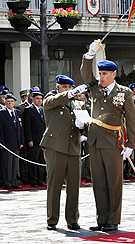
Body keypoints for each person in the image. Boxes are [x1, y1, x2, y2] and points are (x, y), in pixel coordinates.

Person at [81, 41, 135, 233]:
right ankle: (102, 218)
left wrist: (131, 144)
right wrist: (89, 54)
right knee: (98, 182)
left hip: (114, 142)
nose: (101, 77)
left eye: (105, 74)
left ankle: (113, 219)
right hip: (95, 140)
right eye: (100, 73)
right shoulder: (95, 88)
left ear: (113, 74)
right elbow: (85, 74)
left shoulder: (124, 92)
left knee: (113, 182)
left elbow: (131, 120)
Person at [40, 75, 87, 231]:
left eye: (70, 87)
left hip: (73, 147)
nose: (68, 90)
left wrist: (83, 127)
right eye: (64, 87)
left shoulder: (77, 104)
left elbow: (85, 120)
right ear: (58, 87)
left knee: (74, 186)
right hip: (55, 147)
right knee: (54, 185)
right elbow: (51, 102)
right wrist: (69, 94)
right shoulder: (51, 98)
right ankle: (52, 219)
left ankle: (72, 219)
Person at [0, 93, 24, 190]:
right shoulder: (1, 113)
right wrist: (1, 143)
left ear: (15, 102)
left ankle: (13, 182)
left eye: (12, 101)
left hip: (16, 143)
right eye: (8, 101)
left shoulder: (17, 112)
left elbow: (20, 129)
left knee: (14, 165)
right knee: (7, 164)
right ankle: (7, 182)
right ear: (5, 102)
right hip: (6, 143)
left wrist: (21, 142)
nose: (10, 103)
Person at [23, 90, 46, 187]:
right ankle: (33, 180)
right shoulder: (29, 110)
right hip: (34, 139)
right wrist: (29, 139)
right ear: (32, 99)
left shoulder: (43, 110)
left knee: (41, 161)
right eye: (37, 99)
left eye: (41, 99)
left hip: (42, 139)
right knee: (33, 161)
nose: (39, 101)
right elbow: (27, 126)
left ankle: (40, 179)